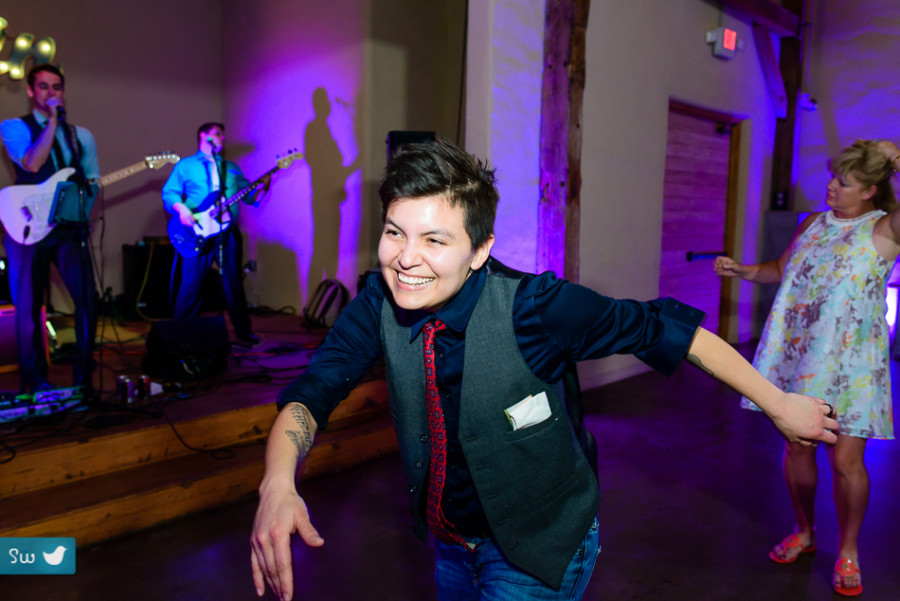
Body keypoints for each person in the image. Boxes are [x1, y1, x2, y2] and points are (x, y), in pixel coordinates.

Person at [250, 137, 837, 601]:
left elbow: (673, 332)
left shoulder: (537, 307)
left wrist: (778, 403)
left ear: (480, 250)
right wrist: (278, 482)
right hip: (450, 543)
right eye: (394, 232)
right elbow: (310, 397)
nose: (406, 257)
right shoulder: (378, 303)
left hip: (539, 547)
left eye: (434, 240)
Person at [714, 139, 898, 597]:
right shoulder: (813, 222)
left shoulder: (885, 231)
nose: (832, 186)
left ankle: (849, 551)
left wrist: (898, 158)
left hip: (852, 367)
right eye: (834, 177)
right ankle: (805, 532)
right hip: (799, 358)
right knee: (797, 449)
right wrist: (742, 270)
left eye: (845, 182)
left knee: (847, 464)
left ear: (871, 190)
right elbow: (781, 268)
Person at [0, 63, 100, 393]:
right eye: (43, 87)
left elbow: (92, 180)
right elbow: (32, 163)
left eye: (56, 87)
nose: (51, 93)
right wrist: (53, 121)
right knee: (28, 306)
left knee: (88, 298)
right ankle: (35, 382)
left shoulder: (81, 135)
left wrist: (82, 207)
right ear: (31, 91)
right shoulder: (14, 127)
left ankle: (84, 376)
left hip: (68, 228)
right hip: (27, 228)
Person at [162, 122, 263, 346]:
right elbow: (169, 193)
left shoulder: (232, 168)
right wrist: (182, 209)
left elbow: (250, 197)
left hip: (228, 232)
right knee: (191, 284)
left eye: (223, 134)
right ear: (203, 136)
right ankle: (179, 335)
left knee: (233, 283)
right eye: (217, 134)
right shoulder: (186, 165)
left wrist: (264, 185)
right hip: (198, 232)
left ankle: (243, 332)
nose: (222, 138)